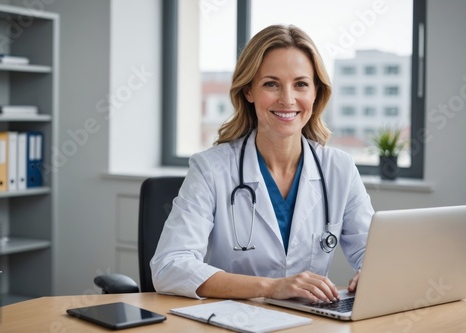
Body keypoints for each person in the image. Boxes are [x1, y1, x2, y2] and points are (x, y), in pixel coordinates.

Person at [151, 24, 374, 303]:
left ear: (316, 92)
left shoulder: (339, 169)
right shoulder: (211, 169)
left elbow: (375, 254)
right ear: (248, 91)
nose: (287, 99)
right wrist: (270, 287)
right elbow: (169, 266)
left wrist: (372, 272)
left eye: (301, 84)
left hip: (311, 323)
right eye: (271, 84)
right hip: (233, 322)